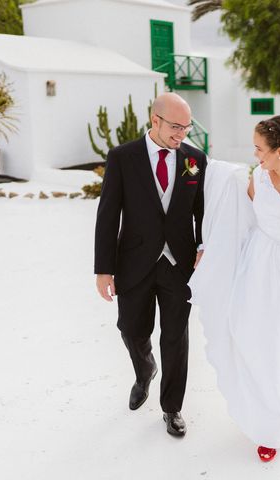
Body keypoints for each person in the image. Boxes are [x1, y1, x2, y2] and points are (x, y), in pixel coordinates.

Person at [189, 115, 280, 462]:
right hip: (260, 263)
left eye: (260, 149)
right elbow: (241, 216)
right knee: (253, 335)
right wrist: (212, 248)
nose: (256, 155)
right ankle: (268, 422)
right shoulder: (257, 178)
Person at [94, 92, 207, 437]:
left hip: (179, 264)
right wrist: (103, 269)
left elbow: (203, 210)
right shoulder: (122, 157)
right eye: (175, 127)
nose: (181, 135)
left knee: (176, 337)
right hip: (134, 262)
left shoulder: (195, 159)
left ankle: (172, 408)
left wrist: (204, 244)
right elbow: (108, 214)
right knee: (131, 328)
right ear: (154, 120)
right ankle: (145, 371)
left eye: (187, 128)